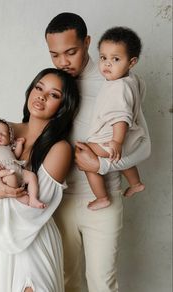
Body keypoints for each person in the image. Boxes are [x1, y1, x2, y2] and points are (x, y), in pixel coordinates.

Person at [0, 68, 80, 292]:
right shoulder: (3, 129)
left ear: (63, 106)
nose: (42, 96)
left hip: (30, 238)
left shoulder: (60, 148)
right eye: (39, 88)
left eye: (54, 94)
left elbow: (33, 208)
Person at [45, 12, 151, 292]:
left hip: (103, 201)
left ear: (88, 43)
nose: (62, 62)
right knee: (66, 282)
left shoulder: (117, 84)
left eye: (71, 52)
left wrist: (100, 166)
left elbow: (143, 147)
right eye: (54, 55)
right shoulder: (52, 86)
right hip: (60, 201)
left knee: (102, 284)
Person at [85, 26, 146, 211]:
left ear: (131, 62)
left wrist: (117, 141)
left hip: (113, 139)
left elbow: (121, 117)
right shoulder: (132, 80)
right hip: (129, 139)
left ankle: (102, 197)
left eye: (116, 59)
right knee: (124, 158)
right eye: (103, 58)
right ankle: (136, 183)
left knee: (84, 155)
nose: (107, 64)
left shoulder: (117, 87)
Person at [0, 118, 44, 208]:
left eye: (3, 134)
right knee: (11, 178)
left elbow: (16, 156)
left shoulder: (7, 147)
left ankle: (33, 198)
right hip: (3, 173)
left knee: (32, 176)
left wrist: (19, 145)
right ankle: (19, 196)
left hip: (18, 170)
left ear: (9, 138)